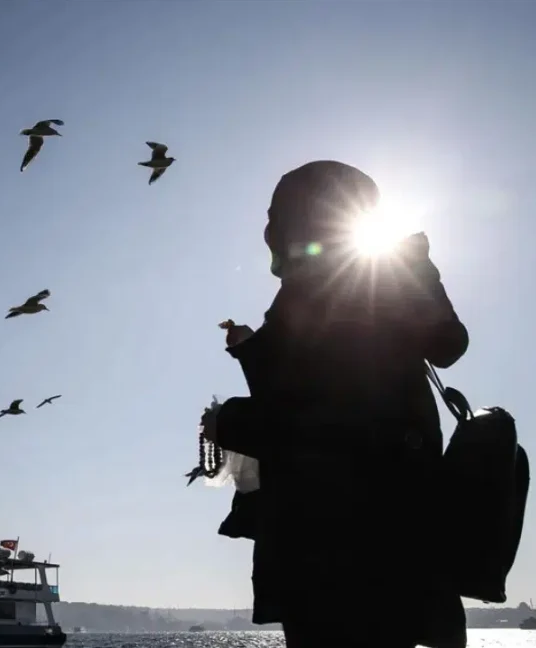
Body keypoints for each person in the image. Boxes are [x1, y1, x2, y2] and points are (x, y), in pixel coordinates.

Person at [201, 161, 469, 648]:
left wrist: (227, 422)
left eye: (276, 214)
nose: (268, 230)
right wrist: (252, 351)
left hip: (332, 556)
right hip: (404, 543)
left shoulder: (320, 294)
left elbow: (321, 422)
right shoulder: (385, 280)